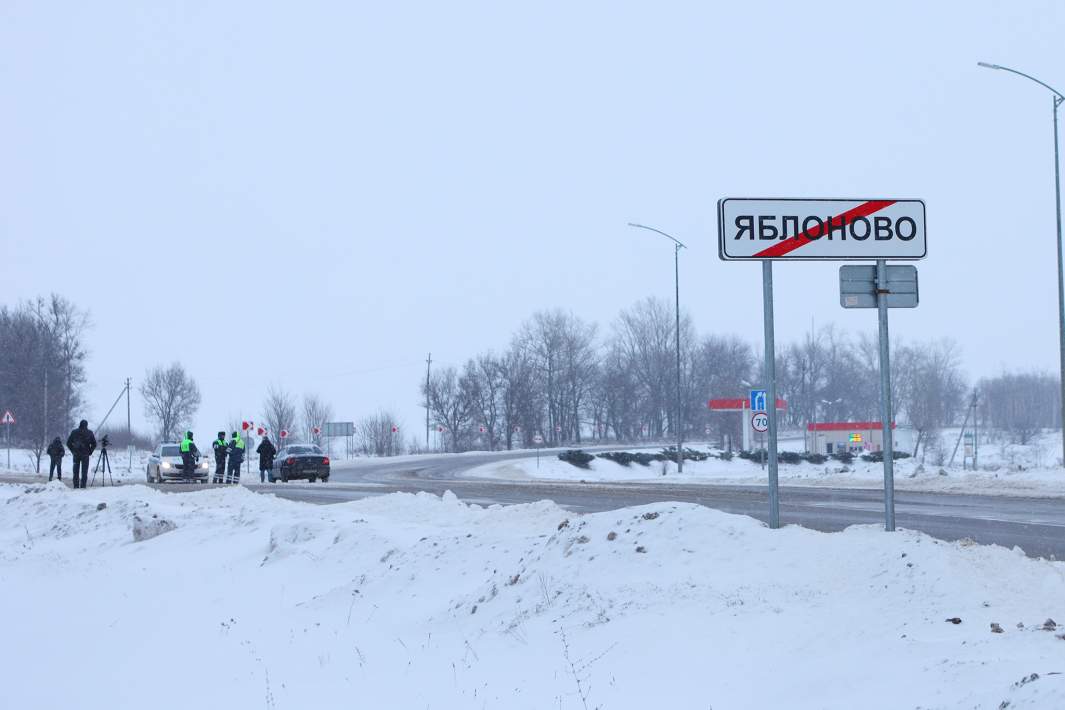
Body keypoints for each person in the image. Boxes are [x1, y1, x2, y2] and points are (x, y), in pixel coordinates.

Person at [66, 420, 97, 489]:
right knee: (84, 472)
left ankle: (76, 486)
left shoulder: (74, 432)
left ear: (80, 424)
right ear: (86, 425)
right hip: (85, 455)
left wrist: (73, 451)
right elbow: (94, 444)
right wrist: (90, 451)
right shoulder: (89, 433)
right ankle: (83, 486)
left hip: (76, 454)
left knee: (75, 471)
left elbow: (68, 443)